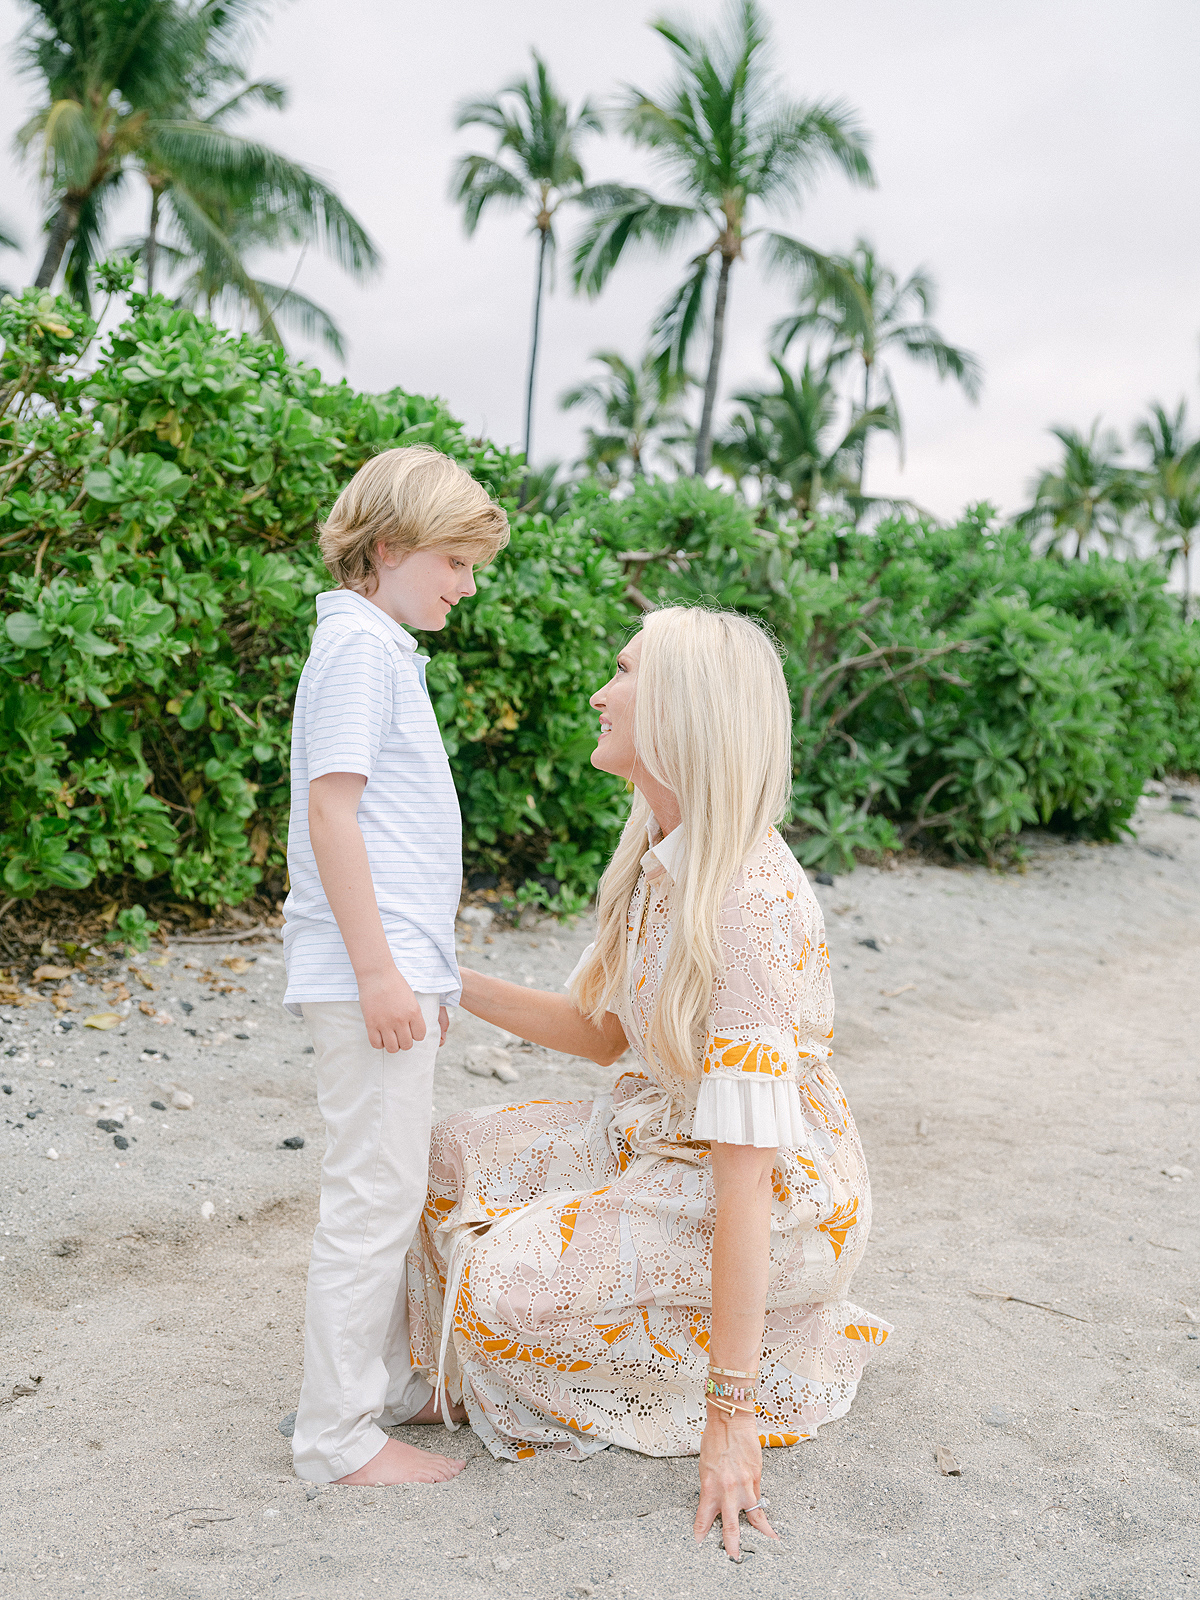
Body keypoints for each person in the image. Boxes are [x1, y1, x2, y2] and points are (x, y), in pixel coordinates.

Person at [406, 605, 890, 1558]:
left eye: (622, 673)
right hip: (656, 1127)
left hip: (770, 1192)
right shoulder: (661, 858)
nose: (599, 692)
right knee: (454, 1150)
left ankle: (761, 1356)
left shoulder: (745, 903)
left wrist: (731, 1421)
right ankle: (486, 1357)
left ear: (680, 709)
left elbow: (746, 1174)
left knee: (506, 1285)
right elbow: (605, 1036)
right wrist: (444, 978)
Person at [282, 445, 509, 1486]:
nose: (467, 584)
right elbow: (335, 816)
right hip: (361, 967)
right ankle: (336, 1437)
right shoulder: (361, 653)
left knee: (388, 1179)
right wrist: (382, 973)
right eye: (454, 562)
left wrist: (428, 972)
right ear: (387, 550)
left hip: (388, 965)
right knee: (372, 1195)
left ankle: (375, 1386)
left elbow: (393, 833)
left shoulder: (377, 648)